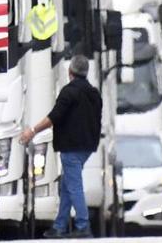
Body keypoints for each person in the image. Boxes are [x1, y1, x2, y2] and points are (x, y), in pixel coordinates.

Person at [20, 54, 102, 239]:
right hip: (87, 147)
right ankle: (59, 226)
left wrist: (32, 131)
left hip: (70, 147)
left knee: (74, 187)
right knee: (66, 185)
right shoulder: (94, 93)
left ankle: (83, 225)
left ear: (70, 71)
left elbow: (53, 117)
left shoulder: (68, 92)